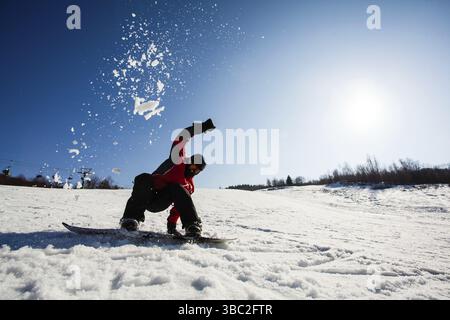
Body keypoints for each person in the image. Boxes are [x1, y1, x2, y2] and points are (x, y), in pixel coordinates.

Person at [120, 119, 216, 237]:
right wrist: (201, 128)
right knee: (143, 177)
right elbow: (182, 136)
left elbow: (180, 206)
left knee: (177, 187)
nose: (194, 170)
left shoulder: (189, 185)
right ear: (189, 162)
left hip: (162, 201)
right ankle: (130, 219)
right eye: (194, 166)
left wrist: (171, 225)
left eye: (198, 170)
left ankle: (192, 225)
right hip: (147, 195)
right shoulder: (177, 161)